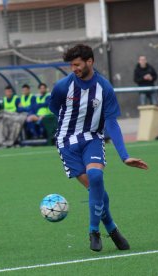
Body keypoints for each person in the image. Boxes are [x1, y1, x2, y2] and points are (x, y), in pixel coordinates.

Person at [49, 44, 148, 252]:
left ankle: (93, 231)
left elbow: (111, 123)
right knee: (97, 190)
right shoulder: (62, 87)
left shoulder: (105, 88)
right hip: (67, 143)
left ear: (90, 62)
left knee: (96, 178)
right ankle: (112, 228)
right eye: (71, 65)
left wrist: (124, 156)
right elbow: (54, 108)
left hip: (93, 138)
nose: (73, 69)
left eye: (77, 64)